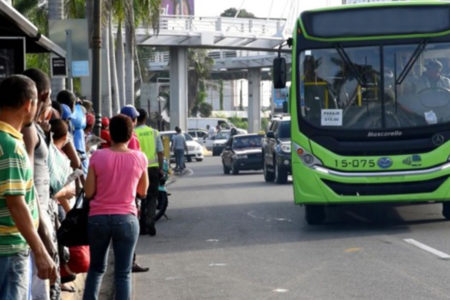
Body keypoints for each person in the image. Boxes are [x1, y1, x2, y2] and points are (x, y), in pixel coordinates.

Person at [0, 75, 57, 299]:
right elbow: (16, 203)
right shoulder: (11, 147)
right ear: (28, 104)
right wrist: (40, 250)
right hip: (11, 248)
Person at [83, 114, 149, 300]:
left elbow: (88, 192)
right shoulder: (139, 158)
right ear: (130, 135)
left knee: (96, 268)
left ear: (109, 134)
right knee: (123, 273)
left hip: (98, 219)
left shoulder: (97, 156)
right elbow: (143, 190)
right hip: (126, 219)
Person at [22, 68, 62, 300]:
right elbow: (26, 183)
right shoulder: (27, 131)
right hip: (35, 222)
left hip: (40, 217)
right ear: (45, 96)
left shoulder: (35, 129)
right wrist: (44, 236)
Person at [135, 109, 164, 237]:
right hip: (152, 168)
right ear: (145, 118)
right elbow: (160, 152)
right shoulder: (154, 133)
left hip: (137, 169)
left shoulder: (133, 133)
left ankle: (141, 225)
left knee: (139, 197)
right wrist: (161, 168)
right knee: (152, 197)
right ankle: (150, 222)